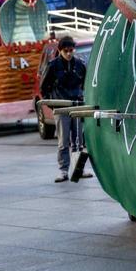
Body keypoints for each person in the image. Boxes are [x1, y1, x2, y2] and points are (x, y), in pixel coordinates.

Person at [40, 36, 89, 183]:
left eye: (71, 50)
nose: (69, 53)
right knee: (63, 141)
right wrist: (53, 104)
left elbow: (85, 84)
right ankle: (63, 171)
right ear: (60, 51)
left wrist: (83, 98)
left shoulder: (80, 64)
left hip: (76, 104)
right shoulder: (53, 65)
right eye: (66, 51)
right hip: (61, 107)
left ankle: (78, 169)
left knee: (78, 140)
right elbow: (44, 87)